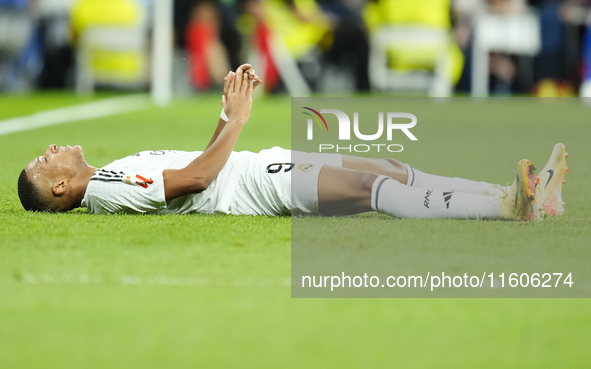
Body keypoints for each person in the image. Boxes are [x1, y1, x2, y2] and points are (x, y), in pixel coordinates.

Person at [17, 64, 568, 222]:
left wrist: (224, 113)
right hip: (256, 185)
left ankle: (518, 193)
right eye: (44, 165)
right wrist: (240, 120)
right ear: (61, 187)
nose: (51, 150)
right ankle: (505, 207)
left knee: (392, 167)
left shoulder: (111, 174)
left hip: (259, 166)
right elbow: (197, 180)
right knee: (371, 186)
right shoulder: (107, 188)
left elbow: (192, 164)